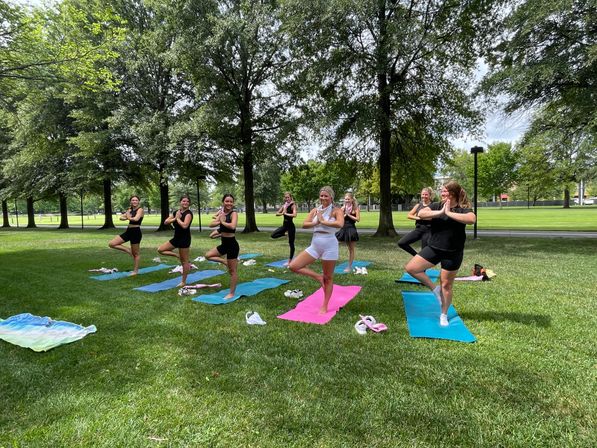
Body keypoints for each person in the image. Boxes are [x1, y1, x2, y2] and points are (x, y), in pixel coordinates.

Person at [405, 181, 476, 326]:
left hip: (453, 252)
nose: (442, 194)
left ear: (453, 194)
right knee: (411, 268)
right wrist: (441, 212)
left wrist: (450, 213)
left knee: (446, 285)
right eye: (442, 191)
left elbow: (471, 219)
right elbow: (421, 213)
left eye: (445, 191)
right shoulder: (437, 206)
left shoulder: (463, 209)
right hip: (434, 248)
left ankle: (443, 314)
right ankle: (433, 288)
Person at [289, 186, 344, 314]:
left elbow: (340, 224)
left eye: (326, 196)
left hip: (329, 246)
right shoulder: (315, 210)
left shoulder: (336, 211)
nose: (323, 198)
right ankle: (317, 277)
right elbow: (304, 224)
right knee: (293, 266)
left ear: (331, 197)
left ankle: (325, 305)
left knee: (328, 277)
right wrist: (316, 222)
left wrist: (323, 221)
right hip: (315, 245)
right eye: (321, 196)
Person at [205, 194, 239, 299]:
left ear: (233, 203)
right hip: (224, 244)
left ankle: (231, 293)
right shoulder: (221, 213)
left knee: (232, 271)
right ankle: (224, 261)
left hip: (232, 245)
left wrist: (222, 221)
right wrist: (220, 219)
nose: (229, 203)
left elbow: (233, 226)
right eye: (227, 201)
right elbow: (210, 225)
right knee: (208, 255)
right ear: (223, 202)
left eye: (231, 201)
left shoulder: (234, 214)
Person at [158, 196, 193, 287]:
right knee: (161, 250)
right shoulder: (176, 212)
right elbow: (166, 222)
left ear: (189, 203)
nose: (185, 203)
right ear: (180, 202)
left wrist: (177, 219)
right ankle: (176, 255)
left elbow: (185, 226)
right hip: (176, 238)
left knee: (184, 262)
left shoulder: (188, 214)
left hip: (184, 240)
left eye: (187, 201)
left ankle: (183, 281)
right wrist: (175, 218)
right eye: (183, 201)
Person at [108, 195, 144, 275]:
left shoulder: (140, 210)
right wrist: (128, 216)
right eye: (133, 200)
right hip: (128, 231)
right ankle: (128, 250)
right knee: (112, 244)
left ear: (138, 202)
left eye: (136, 200)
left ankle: (135, 271)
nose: (134, 201)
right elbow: (121, 218)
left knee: (136, 254)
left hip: (136, 232)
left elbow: (136, 219)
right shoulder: (129, 210)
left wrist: (127, 217)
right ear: (130, 201)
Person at [398, 187, 434, 256]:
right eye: (423, 194)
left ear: (430, 195)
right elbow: (409, 215)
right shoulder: (418, 205)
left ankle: (423, 264)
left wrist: (426, 217)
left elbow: (434, 217)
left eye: (426, 194)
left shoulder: (434, 205)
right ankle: (417, 256)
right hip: (418, 230)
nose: (424, 196)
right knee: (401, 243)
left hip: (428, 231)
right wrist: (419, 218)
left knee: (425, 253)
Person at [335, 192, 360, 272]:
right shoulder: (343, 208)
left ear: (352, 200)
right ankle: (330, 263)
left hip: (351, 229)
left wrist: (348, 215)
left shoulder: (355, 208)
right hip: (343, 229)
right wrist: (344, 214)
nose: (347, 200)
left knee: (351, 249)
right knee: (334, 243)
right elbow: (339, 219)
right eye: (345, 199)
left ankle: (349, 266)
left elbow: (358, 219)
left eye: (348, 199)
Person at [271, 192, 297, 266]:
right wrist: (282, 213)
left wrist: (286, 213)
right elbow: (277, 213)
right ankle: (285, 234)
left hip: (291, 227)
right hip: (284, 226)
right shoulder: (284, 206)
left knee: (291, 244)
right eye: (286, 197)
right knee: (273, 235)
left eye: (288, 197)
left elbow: (295, 215)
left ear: (291, 198)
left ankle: (290, 261)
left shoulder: (293, 205)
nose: (287, 199)